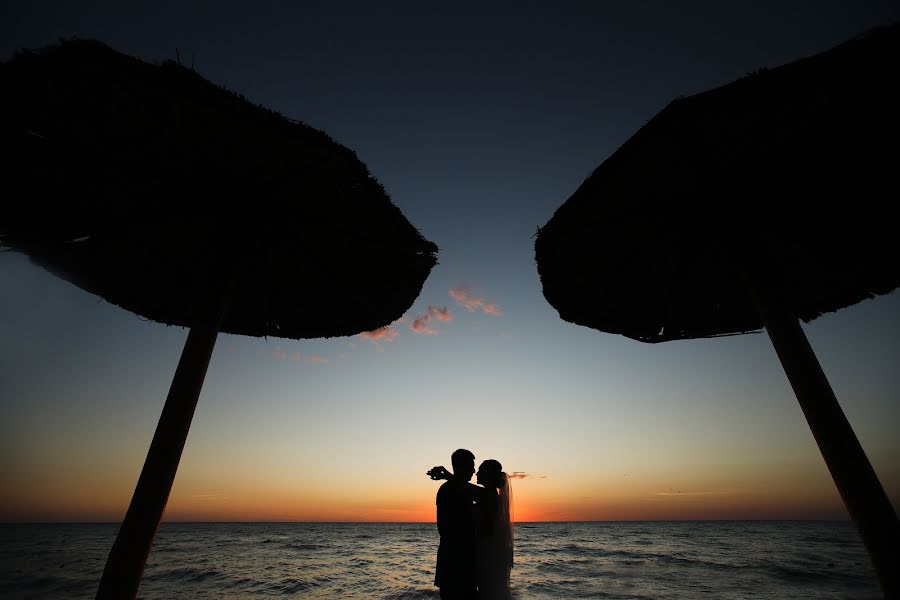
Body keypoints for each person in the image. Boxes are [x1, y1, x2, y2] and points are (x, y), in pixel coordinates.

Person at [428, 456, 514, 600]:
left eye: (480, 470)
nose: (475, 473)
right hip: (468, 560)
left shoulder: (490, 497)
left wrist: (446, 474)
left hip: (484, 558)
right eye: (474, 468)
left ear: (489, 475)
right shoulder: (481, 494)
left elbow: (465, 488)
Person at [429, 449, 479, 600]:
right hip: (455, 563)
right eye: (471, 465)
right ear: (461, 466)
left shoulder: (464, 489)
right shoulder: (448, 490)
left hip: (462, 562)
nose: (474, 470)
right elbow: (445, 528)